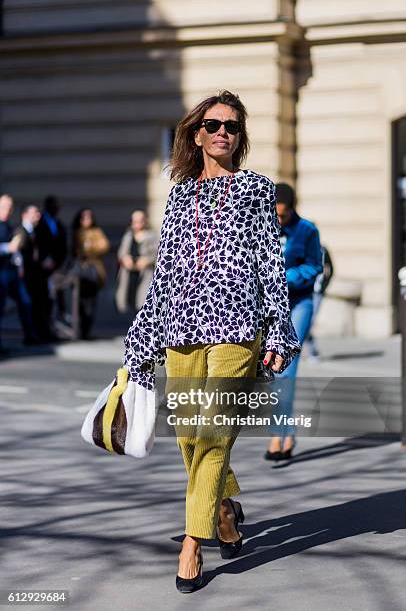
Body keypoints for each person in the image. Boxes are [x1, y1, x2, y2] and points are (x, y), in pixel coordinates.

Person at [123, 90, 301, 592]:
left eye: (233, 127)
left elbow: (270, 262)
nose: (224, 132)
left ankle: (191, 544)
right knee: (189, 437)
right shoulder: (179, 195)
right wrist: (144, 336)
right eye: (215, 125)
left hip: (238, 328)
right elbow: (166, 274)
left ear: (240, 138)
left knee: (213, 435)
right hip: (181, 329)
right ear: (196, 135)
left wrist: (280, 330)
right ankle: (224, 510)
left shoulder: (256, 190)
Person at [264, 183, 323, 462]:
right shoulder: (263, 228)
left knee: (285, 368)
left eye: (283, 215)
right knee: (270, 373)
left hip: (299, 303)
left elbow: (314, 267)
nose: (278, 219)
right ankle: (287, 430)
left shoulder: (307, 230)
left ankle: (280, 434)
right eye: (274, 214)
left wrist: (284, 279)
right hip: (270, 307)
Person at [0, 195, 37, 353]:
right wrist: (8, 248)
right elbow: (10, 247)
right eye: (4, 207)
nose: (8, 210)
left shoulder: (8, 226)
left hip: (11, 272)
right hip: (1, 272)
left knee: (25, 301)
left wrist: (18, 263)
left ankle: (29, 335)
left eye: (10, 208)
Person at [71, 209, 110, 340]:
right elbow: (75, 250)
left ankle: (86, 331)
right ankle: (78, 331)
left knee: (91, 303)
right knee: (78, 303)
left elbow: (104, 246)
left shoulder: (96, 232)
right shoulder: (76, 233)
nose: (87, 220)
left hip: (94, 272)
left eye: (89, 217)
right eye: (84, 217)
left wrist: (90, 249)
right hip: (79, 272)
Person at [17, 204, 52, 342]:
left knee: (38, 304)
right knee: (28, 304)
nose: (38, 216)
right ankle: (30, 334)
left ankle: (37, 333)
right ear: (25, 215)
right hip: (27, 276)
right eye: (34, 213)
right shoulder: (21, 231)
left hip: (36, 276)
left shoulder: (36, 231)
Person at [115, 209, 158, 315]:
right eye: (135, 221)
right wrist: (125, 258)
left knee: (143, 301)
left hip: (145, 274)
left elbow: (158, 253)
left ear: (145, 221)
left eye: (140, 220)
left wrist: (147, 260)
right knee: (128, 300)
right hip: (129, 274)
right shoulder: (128, 236)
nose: (137, 224)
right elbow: (121, 252)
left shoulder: (152, 235)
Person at [36, 195, 68, 326]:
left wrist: (57, 261)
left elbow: (62, 245)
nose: (57, 208)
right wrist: (44, 260)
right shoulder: (40, 222)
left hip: (56, 265)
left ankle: (53, 324)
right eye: (55, 205)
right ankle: (44, 326)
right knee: (44, 299)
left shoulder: (58, 223)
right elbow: (39, 243)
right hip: (42, 267)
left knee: (55, 296)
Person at [305, 245, 334, 360]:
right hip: (305, 291)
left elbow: (331, 269)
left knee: (309, 323)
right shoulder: (303, 247)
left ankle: (312, 351)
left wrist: (324, 286)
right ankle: (310, 351)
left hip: (317, 293)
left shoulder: (323, 250)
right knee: (304, 323)